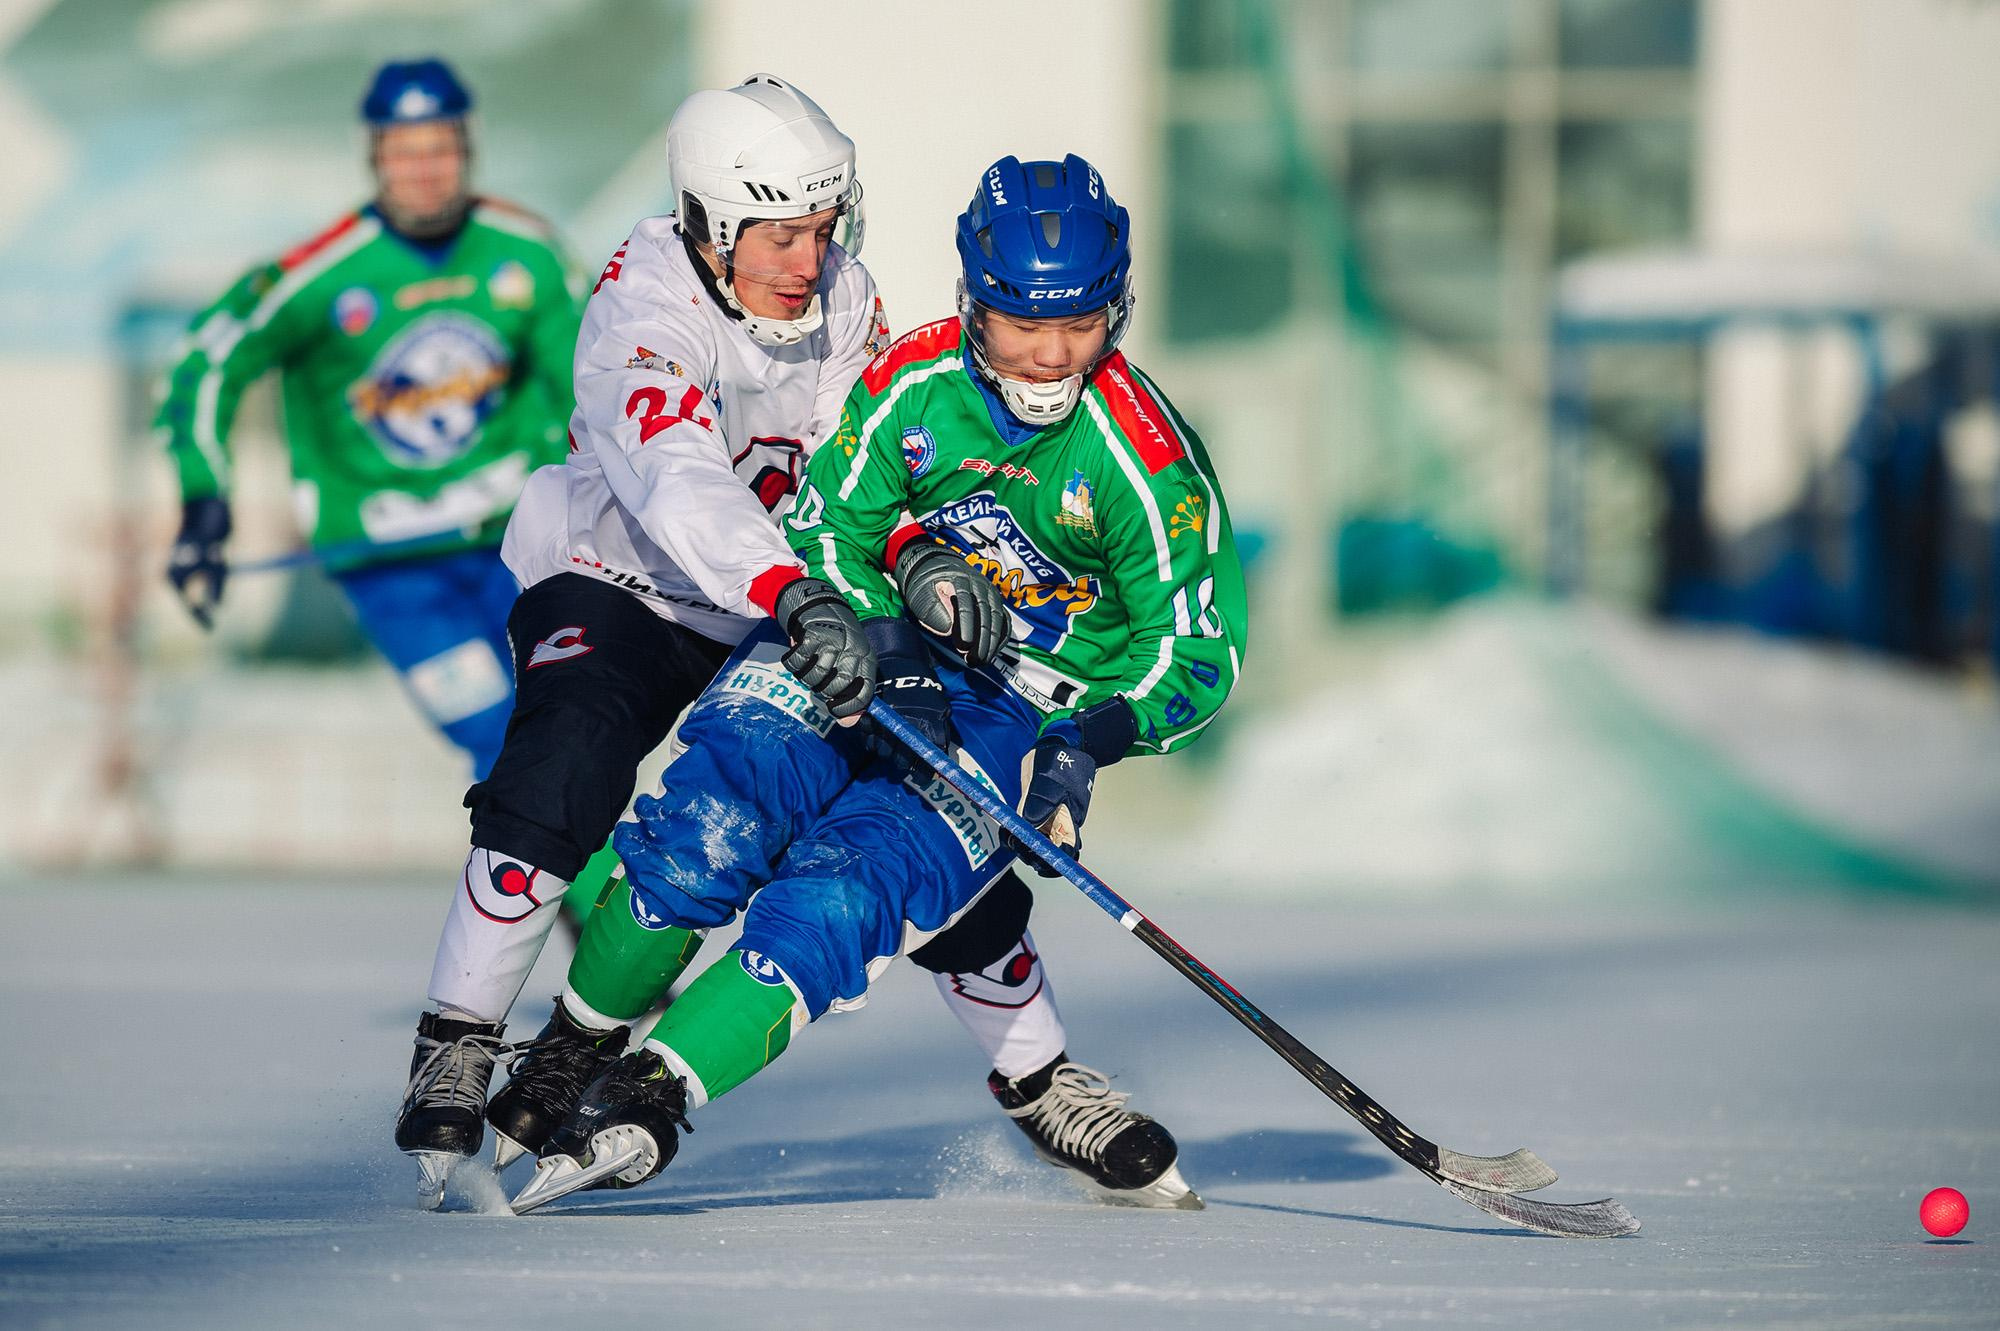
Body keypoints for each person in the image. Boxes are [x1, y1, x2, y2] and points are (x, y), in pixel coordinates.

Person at [393, 75, 1139, 1212]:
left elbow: (870, 462)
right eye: (780, 234)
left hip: (795, 599)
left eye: (824, 226)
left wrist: (916, 555)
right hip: (626, 583)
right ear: (706, 224)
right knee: (567, 768)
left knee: (922, 795)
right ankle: (460, 1033)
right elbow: (678, 481)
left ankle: (1037, 1071)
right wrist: (796, 590)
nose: (807, 257)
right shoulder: (642, 311)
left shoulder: (845, 299)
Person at [509, 153, 1247, 1217]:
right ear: (970, 300)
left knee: (858, 881)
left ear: (1117, 307)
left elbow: (1199, 655)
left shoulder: (1146, 467)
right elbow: (826, 522)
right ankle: (563, 1055)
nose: (1048, 356)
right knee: (725, 797)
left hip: (1021, 702)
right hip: (868, 634)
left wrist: (1087, 741)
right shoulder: (913, 378)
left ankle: (652, 1091)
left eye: (1081, 325)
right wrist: (890, 607)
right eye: (1017, 323)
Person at [157, 58, 583, 789]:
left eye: (441, 148)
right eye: (404, 151)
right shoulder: (318, 273)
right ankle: (594, 902)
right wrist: (203, 501)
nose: (425, 170)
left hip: (517, 547)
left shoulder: (528, 250)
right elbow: (207, 364)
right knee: (494, 733)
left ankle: (575, 901)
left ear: (468, 150)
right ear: (375, 157)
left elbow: (591, 385)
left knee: (572, 726)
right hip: (391, 569)